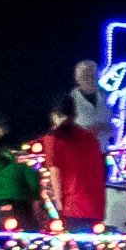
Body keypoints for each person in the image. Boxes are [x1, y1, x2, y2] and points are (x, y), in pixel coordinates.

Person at [40, 96, 108, 233]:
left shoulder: (54, 137)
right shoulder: (88, 137)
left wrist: (58, 205)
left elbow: (55, 171)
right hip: (95, 203)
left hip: (74, 205)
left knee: (73, 249)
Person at [68, 60, 111, 144]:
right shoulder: (70, 100)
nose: (91, 79)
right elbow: (64, 129)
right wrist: (89, 131)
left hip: (104, 149)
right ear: (78, 78)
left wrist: (107, 127)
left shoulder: (106, 97)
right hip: (80, 149)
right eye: (87, 76)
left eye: (94, 75)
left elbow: (113, 122)